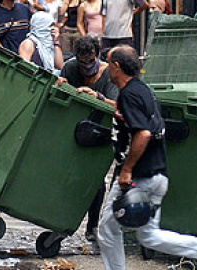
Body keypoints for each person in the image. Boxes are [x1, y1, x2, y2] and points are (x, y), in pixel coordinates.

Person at [96, 45, 197, 270]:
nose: (106, 69)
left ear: (117, 67)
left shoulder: (129, 95)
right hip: (157, 176)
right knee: (149, 236)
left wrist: (126, 170)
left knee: (108, 230)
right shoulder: (143, 91)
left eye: (108, 63)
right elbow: (135, 119)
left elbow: (143, 132)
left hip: (138, 179)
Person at [57, 35, 117, 240]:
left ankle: (92, 226)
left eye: (91, 61)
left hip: (99, 131)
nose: (87, 66)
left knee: (96, 180)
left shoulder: (108, 74)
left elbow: (118, 106)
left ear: (97, 56)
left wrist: (97, 97)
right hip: (73, 129)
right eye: (83, 62)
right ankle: (62, 222)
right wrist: (62, 85)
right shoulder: (70, 68)